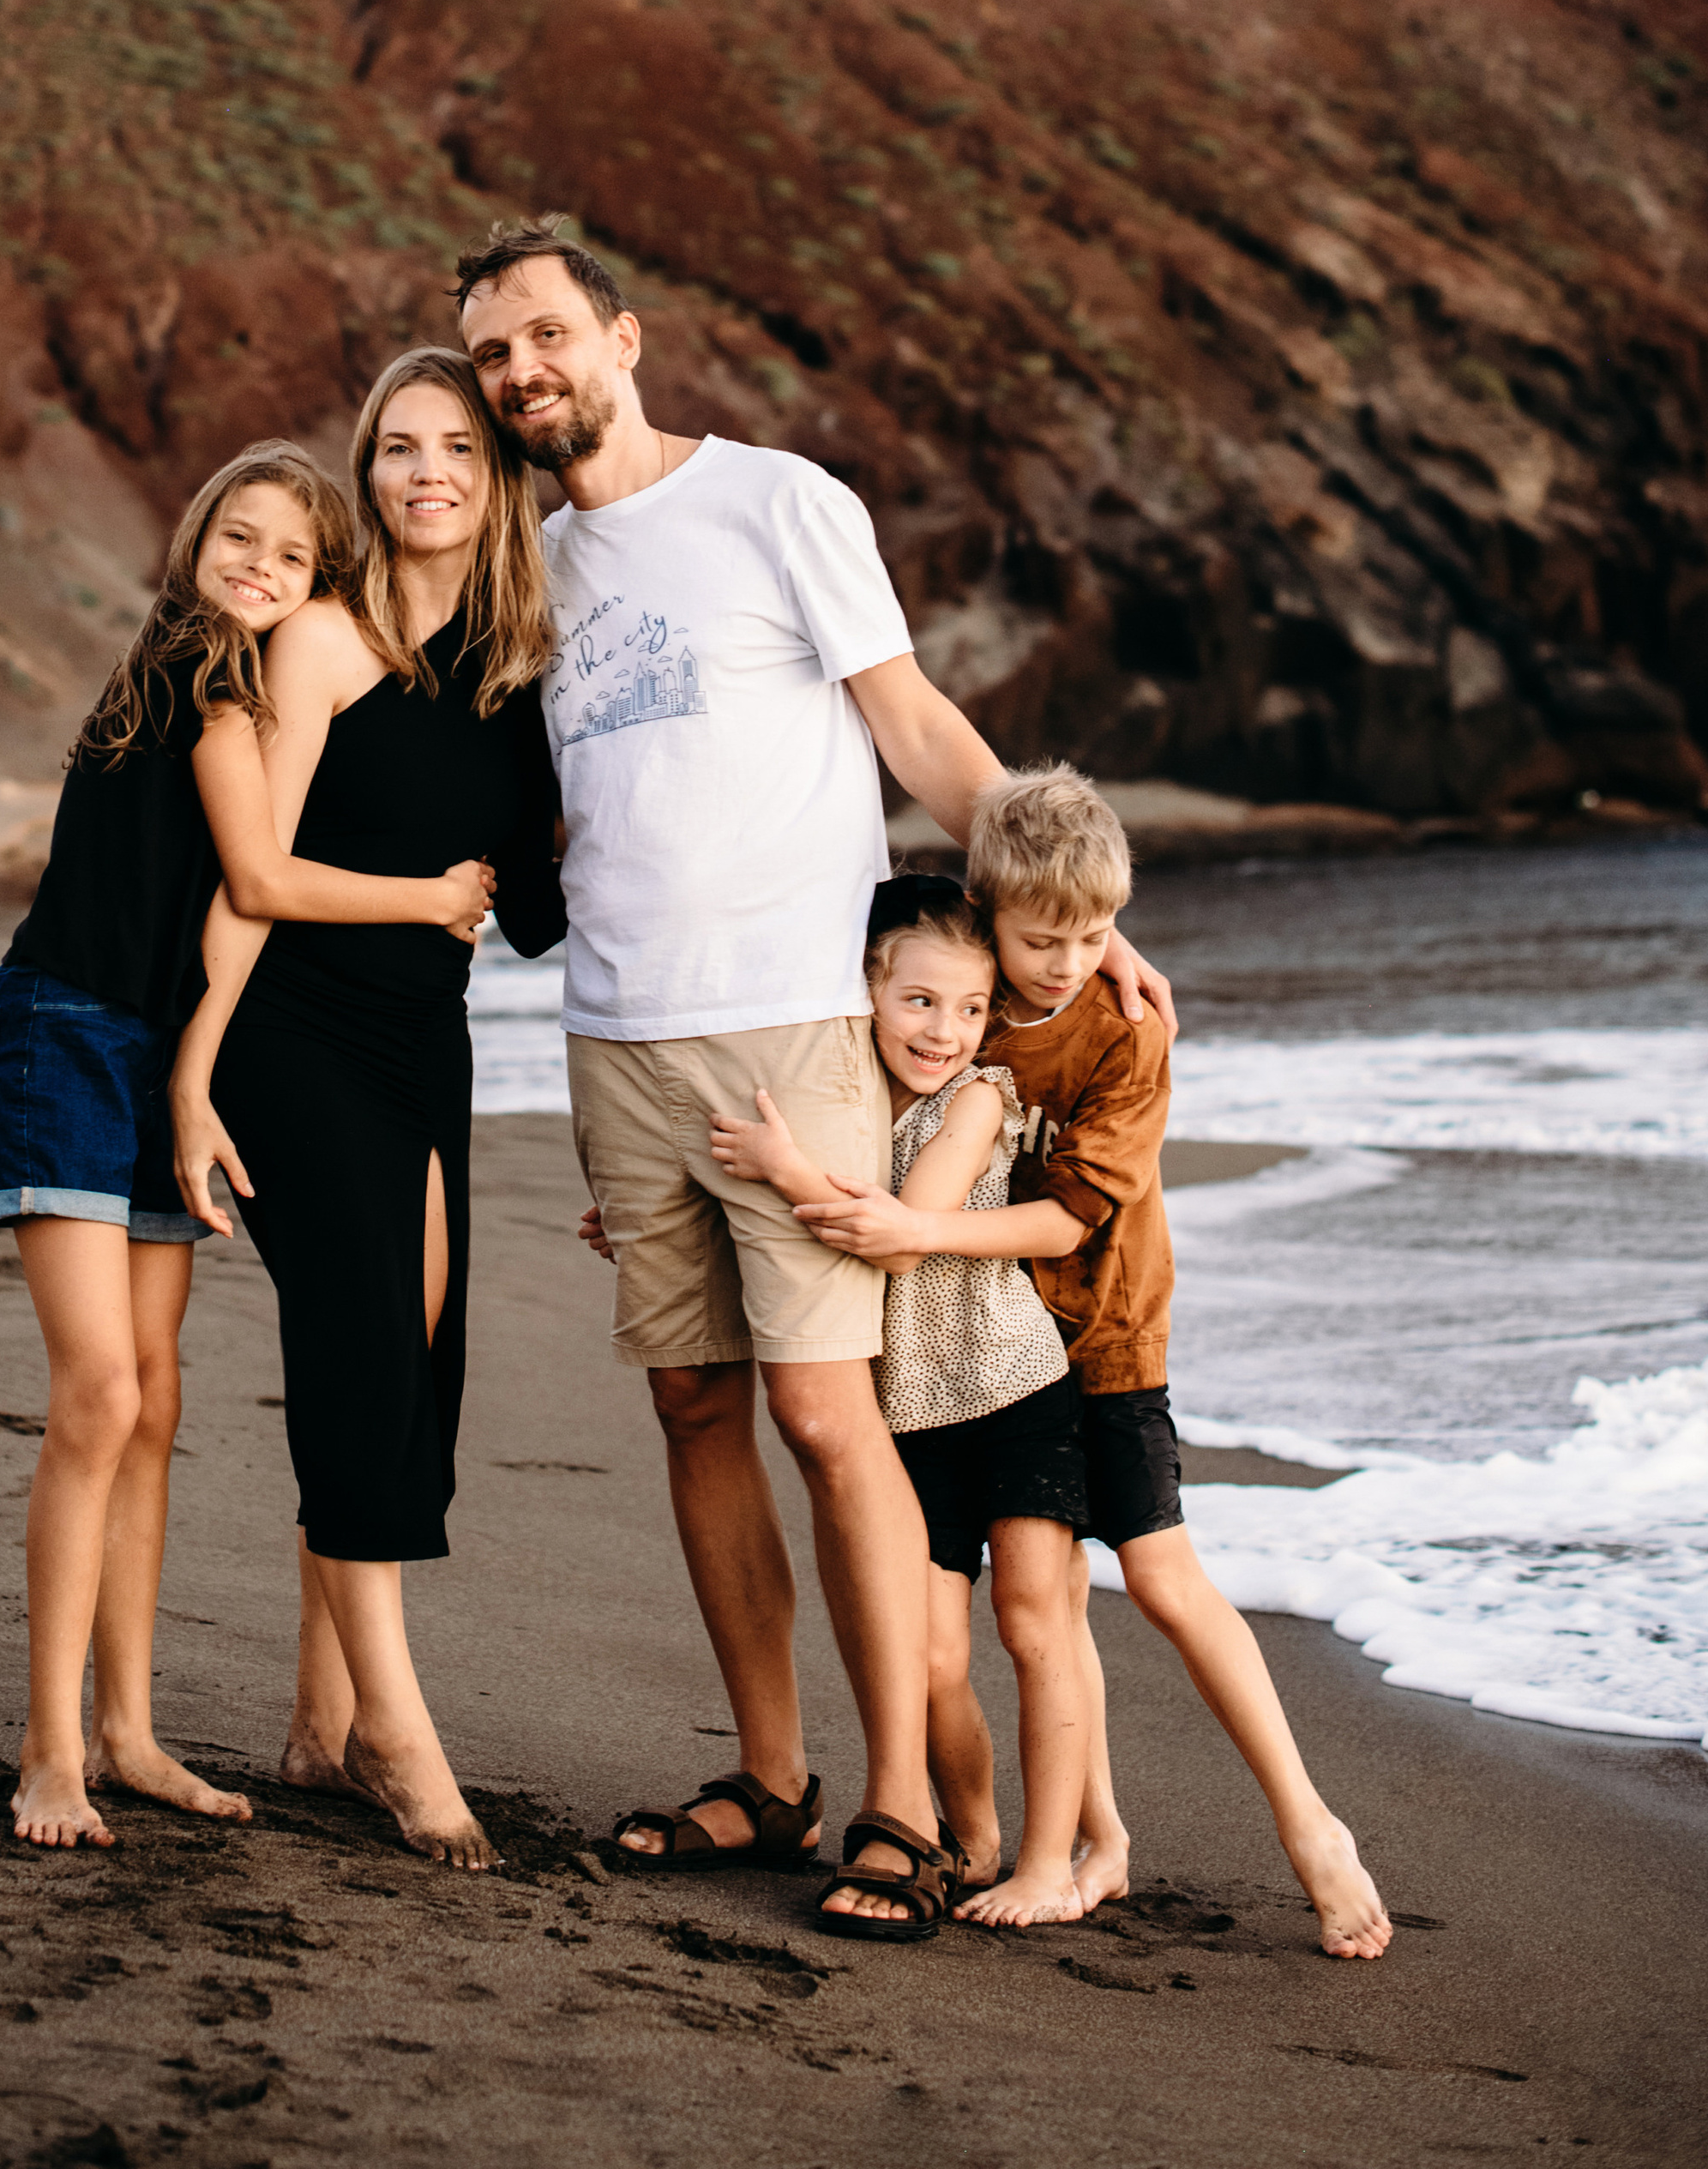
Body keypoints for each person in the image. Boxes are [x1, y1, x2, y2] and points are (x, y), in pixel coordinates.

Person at [454, 213, 1176, 1934]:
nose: (521, 373)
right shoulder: (526, 564)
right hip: (617, 1042)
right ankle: (767, 1780)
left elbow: (914, 723)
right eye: (491, 353)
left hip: (791, 1026)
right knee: (692, 1403)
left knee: (820, 1412)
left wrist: (1058, 910)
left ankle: (901, 1808)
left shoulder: (778, 501)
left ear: (619, 338)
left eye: (544, 336)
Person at [0, 440, 495, 1852]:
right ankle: (51, 1753)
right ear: (195, 539)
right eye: (238, 538)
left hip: (149, 1050)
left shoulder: (247, 684)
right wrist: (432, 896)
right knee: (98, 1397)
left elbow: (238, 902)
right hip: (66, 1034)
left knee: (156, 1406)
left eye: (292, 557)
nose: (259, 569)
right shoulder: (201, 670)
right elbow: (262, 878)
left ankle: (131, 1735)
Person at [803, 761, 1392, 1959]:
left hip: (1103, 1337)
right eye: (1044, 937)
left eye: (1095, 932)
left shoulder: (1128, 1030)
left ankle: (1311, 1824)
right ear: (990, 915)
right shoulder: (954, 993)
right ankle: (1098, 1844)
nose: (1067, 959)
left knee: (1164, 1585)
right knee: (1045, 1612)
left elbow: (1069, 1221)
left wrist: (918, 1231)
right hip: (982, 1353)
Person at [169, 348, 567, 1873]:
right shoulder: (324, 644)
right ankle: (400, 1732)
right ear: (369, 472)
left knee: (409, 1360)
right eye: (398, 449)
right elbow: (249, 882)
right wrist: (198, 1068)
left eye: (457, 449)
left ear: (494, 476)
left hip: (424, 1045)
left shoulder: (515, 673)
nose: (426, 475)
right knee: (360, 1352)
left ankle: (319, 1728)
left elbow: (533, 906)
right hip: (289, 1034)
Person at [703, 877, 1093, 1936]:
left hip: (1014, 1394)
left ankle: (1052, 1860)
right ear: (865, 987)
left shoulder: (979, 1101)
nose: (946, 1031)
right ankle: (971, 1836)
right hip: (909, 1421)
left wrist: (781, 1167)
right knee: (925, 1660)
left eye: (970, 1008)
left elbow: (902, 1226)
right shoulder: (854, 1101)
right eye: (918, 1001)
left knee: (1032, 1621)